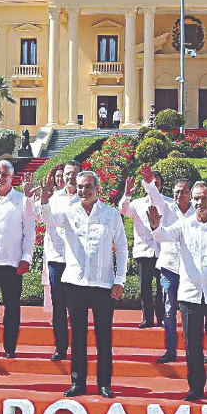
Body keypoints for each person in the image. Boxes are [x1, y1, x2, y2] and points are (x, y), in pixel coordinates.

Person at [37, 170, 129, 399]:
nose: (83, 191)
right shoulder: (68, 212)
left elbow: (123, 248)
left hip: (103, 284)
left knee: (103, 337)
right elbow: (47, 219)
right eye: (79, 187)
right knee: (77, 336)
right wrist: (45, 199)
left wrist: (120, 280)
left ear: (97, 188)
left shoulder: (110, 214)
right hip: (75, 283)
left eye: (87, 186)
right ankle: (78, 383)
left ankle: (104, 384)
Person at [148, 181, 207, 402]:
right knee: (192, 345)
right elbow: (163, 236)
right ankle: (195, 387)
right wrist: (155, 227)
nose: (199, 202)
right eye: (196, 198)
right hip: (190, 295)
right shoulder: (184, 225)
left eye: (203, 198)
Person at [139, 171, 194, 364]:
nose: (180, 195)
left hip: (191, 270)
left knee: (194, 313)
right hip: (169, 267)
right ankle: (171, 350)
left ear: (190, 193)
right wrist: (148, 183)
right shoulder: (167, 207)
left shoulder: (197, 211)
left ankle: (193, 351)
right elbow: (155, 196)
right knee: (170, 311)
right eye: (177, 192)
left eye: (184, 192)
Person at [0, 160, 35, 359]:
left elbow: (29, 231)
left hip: (13, 263)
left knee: (12, 307)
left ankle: (10, 348)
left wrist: (26, 258)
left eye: (4, 174)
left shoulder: (22, 200)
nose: (0, 178)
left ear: (12, 177)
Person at [39, 162, 81, 360]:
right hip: (57, 258)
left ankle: (78, 347)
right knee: (58, 307)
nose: (70, 177)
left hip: (79, 260)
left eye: (74, 173)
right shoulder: (54, 198)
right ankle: (61, 347)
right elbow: (42, 218)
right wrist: (43, 200)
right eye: (67, 174)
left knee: (77, 307)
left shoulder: (87, 198)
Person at [119, 172, 165, 329]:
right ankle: (148, 318)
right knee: (144, 288)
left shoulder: (168, 203)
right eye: (151, 183)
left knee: (162, 287)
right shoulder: (138, 203)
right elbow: (123, 211)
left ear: (161, 186)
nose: (154, 186)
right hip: (143, 251)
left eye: (157, 183)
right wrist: (127, 194)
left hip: (163, 252)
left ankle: (162, 317)